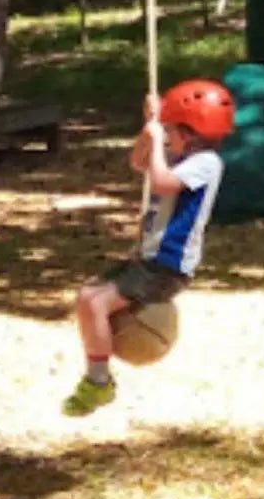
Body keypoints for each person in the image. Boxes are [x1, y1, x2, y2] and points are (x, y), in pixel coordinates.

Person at [62, 79, 235, 416]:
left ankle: (98, 383)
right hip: (147, 258)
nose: (168, 138)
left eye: (172, 131)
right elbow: (140, 164)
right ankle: (98, 373)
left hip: (167, 266)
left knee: (96, 304)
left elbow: (161, 182)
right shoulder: (180, 155)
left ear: (189, 133)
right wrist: (150, 129)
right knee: (87, 298)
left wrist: (159, 142)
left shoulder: (207, 164)